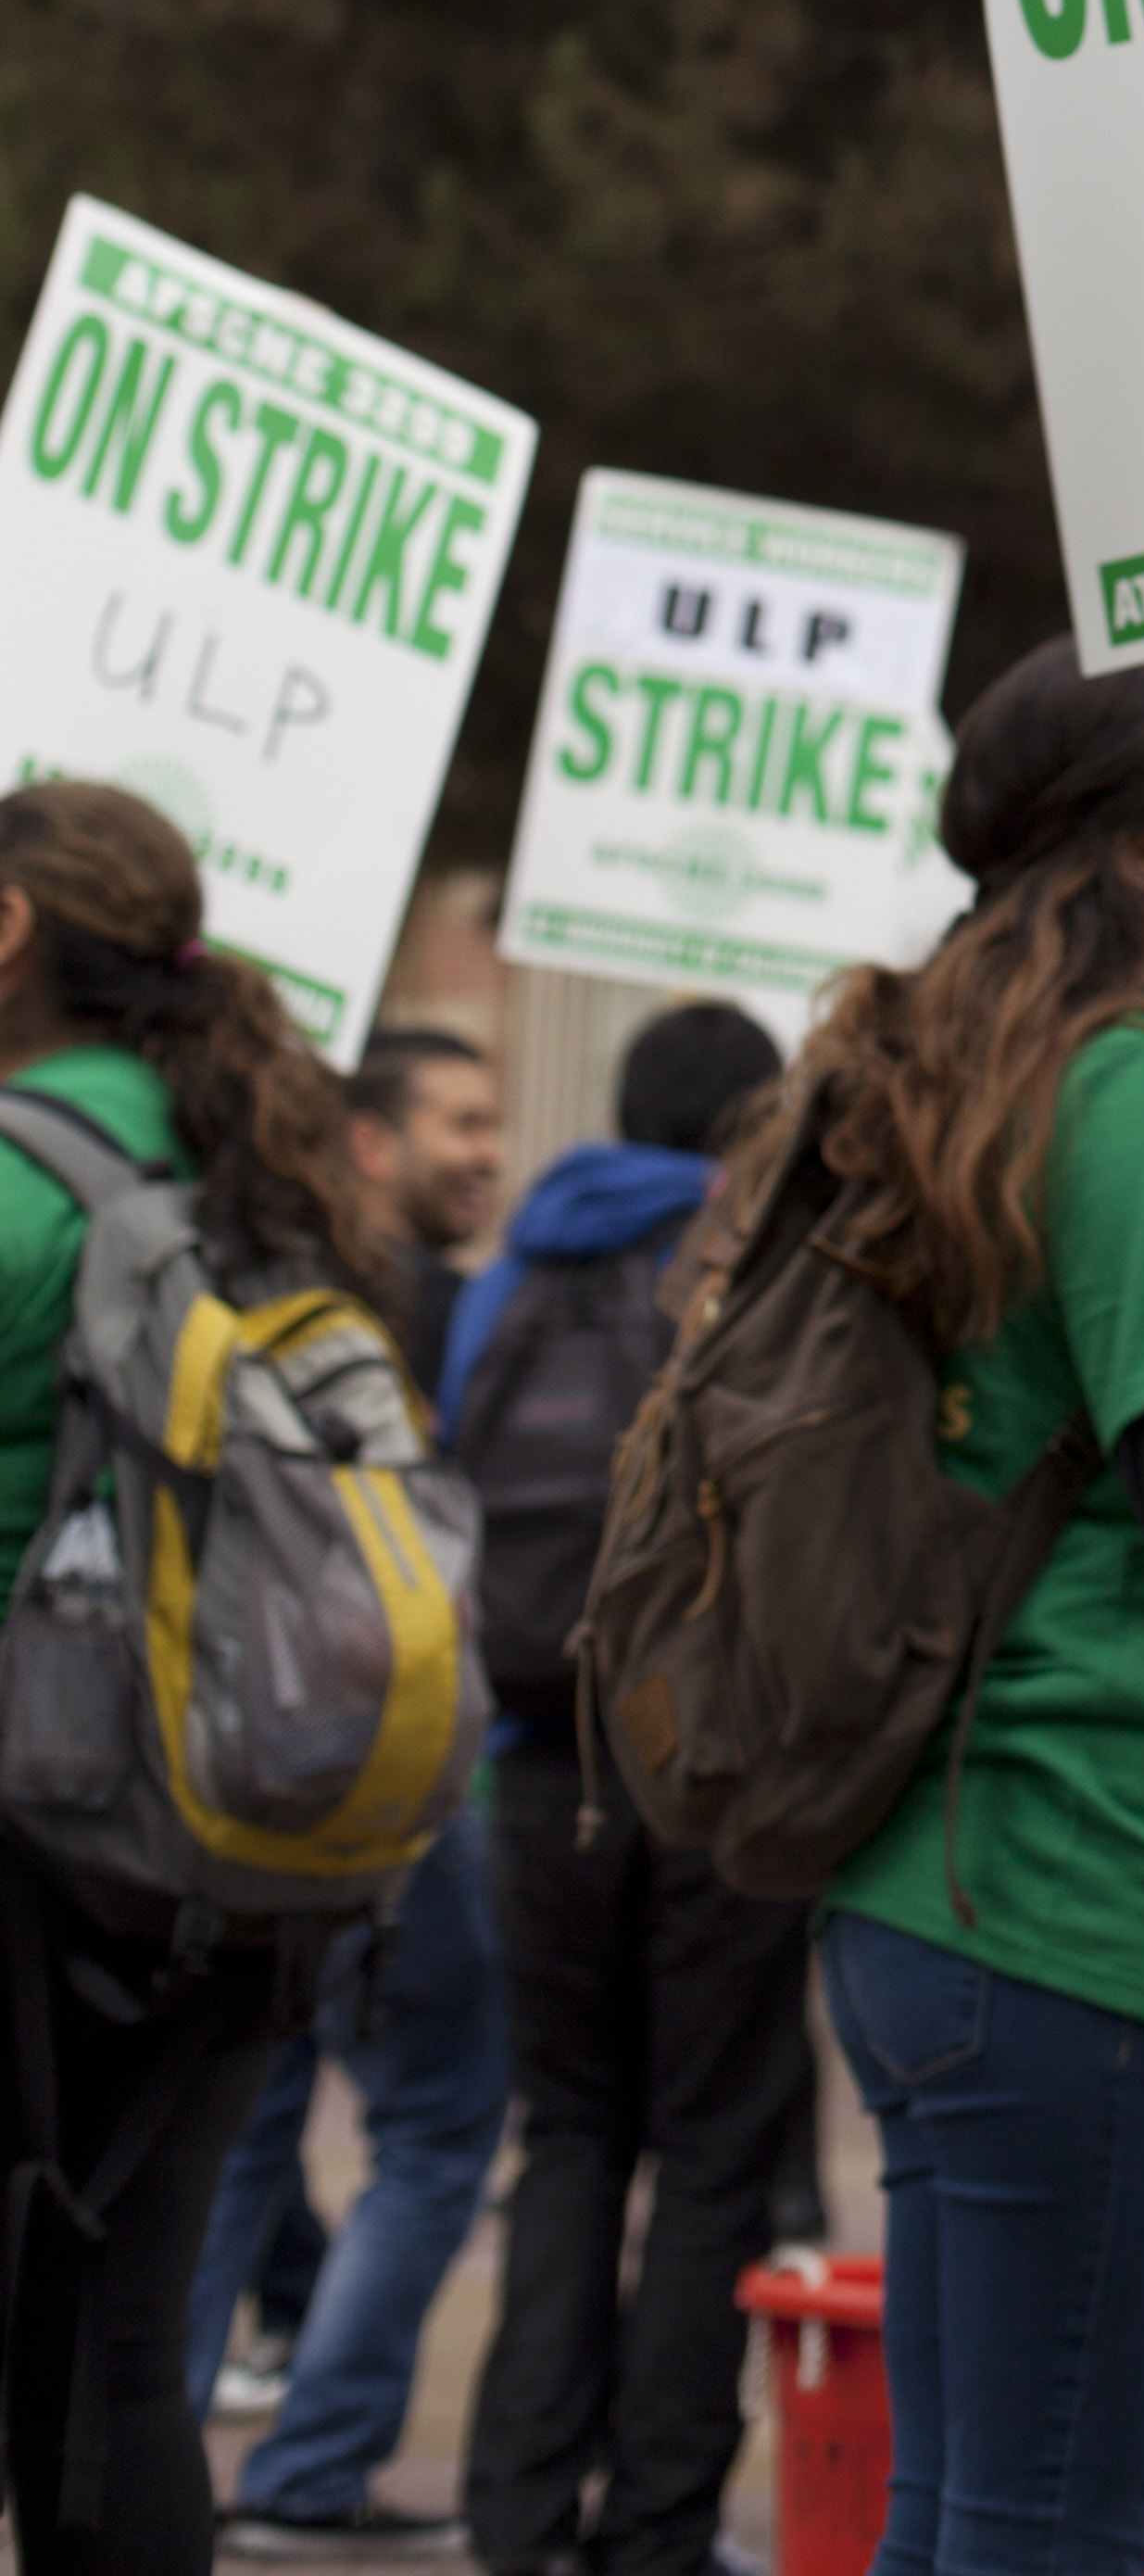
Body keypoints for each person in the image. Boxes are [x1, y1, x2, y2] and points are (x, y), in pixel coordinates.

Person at [804, 644, 1144, 2576]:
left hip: (948, 1898)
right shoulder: (1143, 1072)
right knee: (1047, 2531)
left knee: (969, 2516)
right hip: (1092, 1896)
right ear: (1141, 852)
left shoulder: (997, 1054)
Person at [0, 779, 394, 2576]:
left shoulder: (18, 1181)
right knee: (120, 2365)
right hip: (235, 1837)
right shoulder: (261, 1168)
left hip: (30, 1840)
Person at [448, 999, 792, 2576]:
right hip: (711, 1774)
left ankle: (514, 2521)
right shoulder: (752, 1262)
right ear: (748, 1120)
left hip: (536, 1763)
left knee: (570, 2134)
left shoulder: (515, 1265)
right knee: (716, 2151)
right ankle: (658, 2529)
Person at [188, 1017, 516, 2552]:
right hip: (392, 1771)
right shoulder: (409, 1315)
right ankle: (312, 2469)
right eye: (458, 1119)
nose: (486, 1151)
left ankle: (155, 2459)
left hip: (234, 1766)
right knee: (441, 2117)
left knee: (243, 2122)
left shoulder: (215, 1288)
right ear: (364, 1141)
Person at [347, 1017, 506, 1395]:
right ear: (372, 1145)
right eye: (466, 1126)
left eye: (493, 1128)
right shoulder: (449, 1311)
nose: (491, 1156)